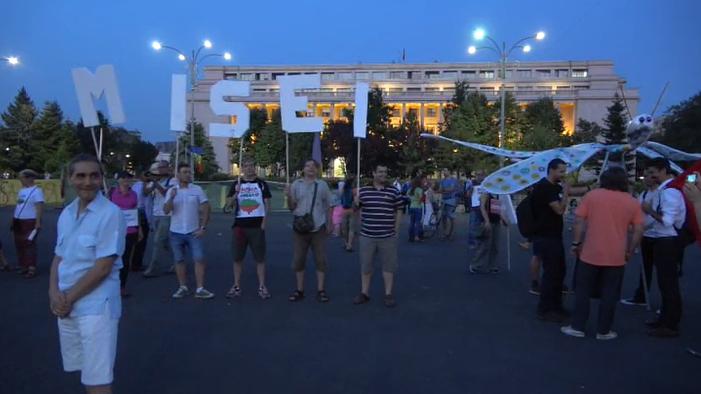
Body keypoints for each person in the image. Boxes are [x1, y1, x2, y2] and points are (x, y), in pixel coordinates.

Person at [50, 154, 126, 394]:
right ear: (70, 178)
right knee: (85, 372)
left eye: (94, 175)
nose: (88, 181)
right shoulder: (66, 214)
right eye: (81, 175)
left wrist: (67, 299)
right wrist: (53, 292)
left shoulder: (111, 214)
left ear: (102, 179)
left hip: (96, 308)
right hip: (67, 305)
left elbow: (103, 268)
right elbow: (59, 257)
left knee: (98, 380)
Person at [561, 167, 644, 340]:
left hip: (590, 252)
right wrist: (630, 249)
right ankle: (604, 330)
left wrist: (576, 243)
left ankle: (577, 326)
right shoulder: (632, 201)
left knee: (583, 290)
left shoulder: (592, 196)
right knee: (610, 293)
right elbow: (638, 230)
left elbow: (579, 221)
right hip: (616, 255)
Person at [531, 159, 590, 323]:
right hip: (546, 236)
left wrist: (589, 189)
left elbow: (571, 191)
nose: (564, 175)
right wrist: (565, 192)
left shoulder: (553, 187)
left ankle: (556, 306)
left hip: (553, 236)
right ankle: (545, 308)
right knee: (551, 273)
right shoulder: (545, 188)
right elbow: (559, 209)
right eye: (561, 172)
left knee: (559, 271)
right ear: (551, 170)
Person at [639, 158, 686, 337]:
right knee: (664, 283)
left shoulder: (670, 192)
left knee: (669, 283)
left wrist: (649, 210)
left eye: (653, 172)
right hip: (662, 240)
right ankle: (664, 320)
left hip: (668, 241)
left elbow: (667, 221)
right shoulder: (663, 191)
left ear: (663, 171)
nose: (651, 176)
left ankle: (671, 323)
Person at [353, 164, 404, 307]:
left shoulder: (394, 191)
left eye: (385, 172)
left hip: (387, 235)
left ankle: (388, 294)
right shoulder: (363, 191)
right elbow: (355, 210)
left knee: (388, 266)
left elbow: (399, 209)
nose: (383, 174)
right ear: (373, 173)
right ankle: (364, 293)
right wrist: (356, 203)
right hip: (367, 235)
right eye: (380, 171)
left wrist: (396, 229)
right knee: (366, 265)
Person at [285, 159, 334, 303]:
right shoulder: (296, 185)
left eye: (314, 166)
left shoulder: (322, 185)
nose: (311, 168)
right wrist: (288, 195)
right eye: (308, 166)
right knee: (299, 260)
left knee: (320, 260)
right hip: (300, 228)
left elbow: (329, 205)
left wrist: (330, 223)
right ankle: (299, 290)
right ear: (303, 169)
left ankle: (321, 290)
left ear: (317, 170)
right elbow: (291, 207)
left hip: (318, 227)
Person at [225, 157, 272, 300]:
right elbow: (228, 205)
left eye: (252, 165)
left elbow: (267, 204)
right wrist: (236, 193)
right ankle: (237, 286)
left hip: (257, 226)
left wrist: (264, 221)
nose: (249, 168)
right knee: (237, 258)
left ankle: (262, 286)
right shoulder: (236, 184)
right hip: (240, 226)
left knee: (260, 258)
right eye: (246, 166)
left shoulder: (261, 184)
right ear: (242, 168)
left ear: (255, 168)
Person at [164, 163, 214, 299]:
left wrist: (203, 227)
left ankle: (200, 288)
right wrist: (172, 197)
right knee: (179, 260)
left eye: (189, 172)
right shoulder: (172, 190)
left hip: (193, 231)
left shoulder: (197, 189)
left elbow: (206, 208)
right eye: (184, 172)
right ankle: (182, 287)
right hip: (176, 232)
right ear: (178, 175)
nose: (187, 174)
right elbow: (166, 210)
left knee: (199, 258)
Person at [620, 168, 660, 306]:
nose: (646, 178)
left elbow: (657, 217)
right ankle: (641, 295)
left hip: (659, 235)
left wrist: (642, 225)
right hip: (646, 235)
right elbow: (635, 211)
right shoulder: (644, 194)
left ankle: (668, 303)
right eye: (645, 175)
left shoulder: (661, 194)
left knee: (663, 271)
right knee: (645, 267)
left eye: (649, 174)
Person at [108, 171, 143, 297]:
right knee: (112, 258)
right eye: (123, 178)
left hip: (130, 230)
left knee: (125, 260)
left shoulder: (134, 194)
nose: (125, 181)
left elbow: (136, 212)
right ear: (118, 180)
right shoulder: (112, 193)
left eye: (128, 178)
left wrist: (139, 230)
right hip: (114, 230)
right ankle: (110, 285)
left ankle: (122, 286)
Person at [143, 161, 174, 278]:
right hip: (155, 214)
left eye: (161, 167)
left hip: (166, 214)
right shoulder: (157, 180)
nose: (159, 170)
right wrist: (146, 181)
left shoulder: (172, 181)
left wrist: (155, 182)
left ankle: (153, 267)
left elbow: (167, 193)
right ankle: (178, 261)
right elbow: (146, 192)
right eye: (158, 168)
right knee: (165, 243)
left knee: (157, 241)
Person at [12, 169, 44, 278]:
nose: (21, 180)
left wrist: (38, 222)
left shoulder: (37, 191)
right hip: (18, 220)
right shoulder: (22, 191)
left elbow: (39, 207)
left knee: (29, 244)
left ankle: (31, 267)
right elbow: (18, 205)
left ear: (29, 178)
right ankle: (23, 265)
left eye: (22, 178)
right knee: (19, 244)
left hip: (30, 220)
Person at [468, 188, 506, 274]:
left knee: (495, 245)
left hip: (496, 222)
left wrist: (503, 219)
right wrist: (487, 221)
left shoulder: (497, 194)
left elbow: (497, 209)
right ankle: (475, 264)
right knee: (485, 244)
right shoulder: (485, 194)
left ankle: (492, 265)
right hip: (487, 222)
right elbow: (482, 208)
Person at [130, 171, 149, 272]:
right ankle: (136, 264)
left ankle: (134, 262)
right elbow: (146, 193)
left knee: (135, 240)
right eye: (146, 175)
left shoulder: (135, 185)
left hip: (136, 212)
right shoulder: (140, 185)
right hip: (140, 212)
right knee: (141, 240)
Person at [467, 170, 485, 249]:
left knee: (484, 225)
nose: (479, 176)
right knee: (472, 225)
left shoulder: (486, 183)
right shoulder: (471, 183)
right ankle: (472, 242)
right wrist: (471, 189)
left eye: (480, 175)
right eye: (477, 175)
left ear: (484, 175)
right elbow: (467, 195)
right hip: (474, 207)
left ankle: (482, 241)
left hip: (484, 207)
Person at [439, 168, 458, 239]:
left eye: (445, 171)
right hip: (444, 200)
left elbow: (451, 189)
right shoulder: (442, 180)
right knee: (443, 217)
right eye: (443, 171)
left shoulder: (453, 180)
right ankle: (445, 232)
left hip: (451, 200)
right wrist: (444, 190)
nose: (444, 172)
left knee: (450, 217)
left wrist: (444, 190)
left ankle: (450, 233)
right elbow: (440, 190)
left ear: (449, 172)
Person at [339, 175, 356, 252]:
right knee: (351, 229)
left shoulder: (343, 190)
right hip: (352, 210)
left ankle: (346, 243)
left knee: (344, 228)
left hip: (344, 209)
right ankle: (349, 244)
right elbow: (355, 201)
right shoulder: (353, 191)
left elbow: (341, 199)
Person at [407, 176, 424, 242]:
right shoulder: (419, 190)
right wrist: (419, 201)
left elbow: (407, 197)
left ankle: (411, 236)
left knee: (411, 222)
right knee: (417, 222)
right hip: (418, 207)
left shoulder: (410, 189)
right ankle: (417, 236)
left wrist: (412, 200)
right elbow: (421, 199)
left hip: (411, 207)